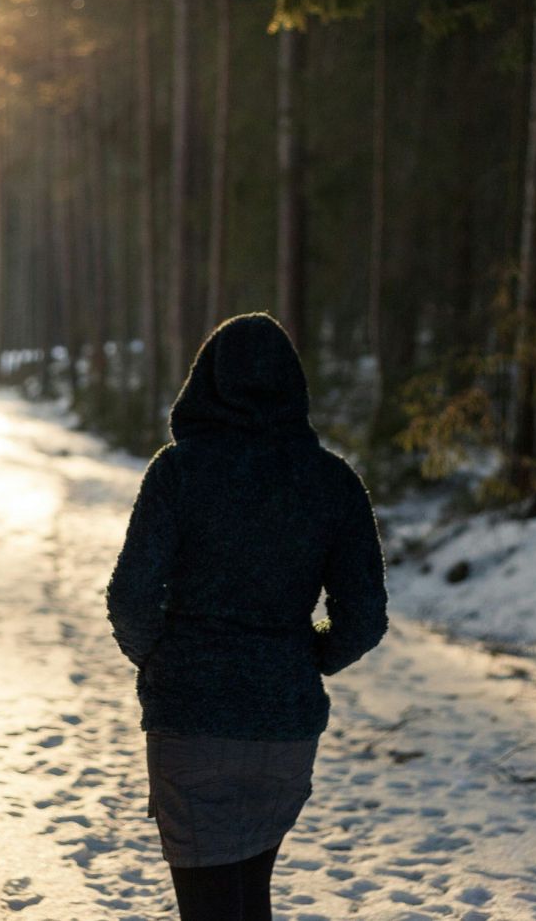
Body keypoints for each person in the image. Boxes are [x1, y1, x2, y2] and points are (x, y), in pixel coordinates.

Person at [106, 312, 388, 920]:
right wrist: (306, 655)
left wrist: (163, 658)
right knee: (245, 897)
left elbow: (129, 597)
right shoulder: (333, 483)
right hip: (284, 728)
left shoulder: (178, 473)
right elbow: (364, 617)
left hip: (192, 719)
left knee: (210, 907)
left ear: (203, 383)